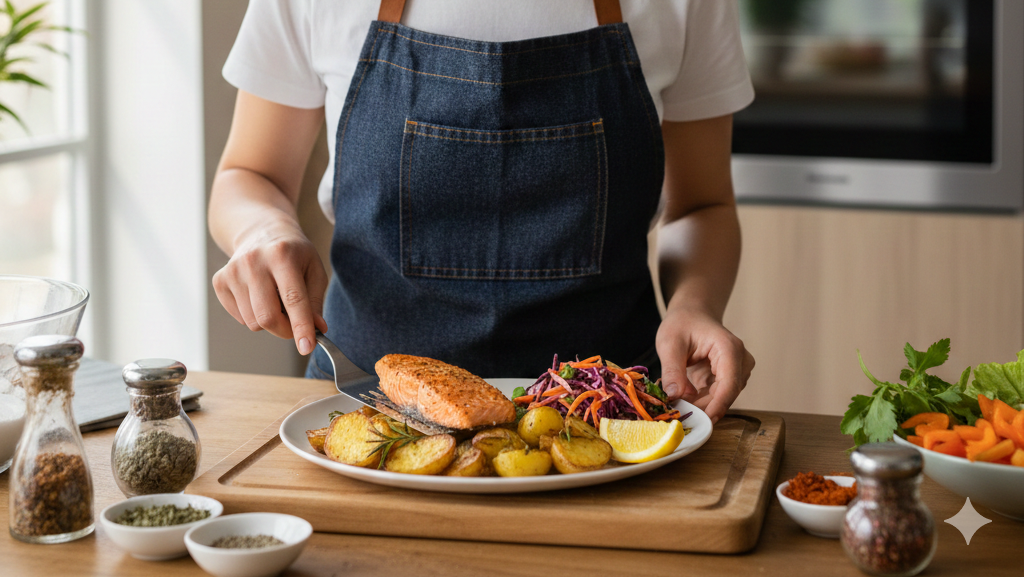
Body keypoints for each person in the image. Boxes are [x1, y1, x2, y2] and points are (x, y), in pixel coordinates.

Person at [209, 0, 756, 424]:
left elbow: (702, 205)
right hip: (369, 411)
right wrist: (263, 230)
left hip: (606, 420)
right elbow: (249, 175)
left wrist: (697, 305)